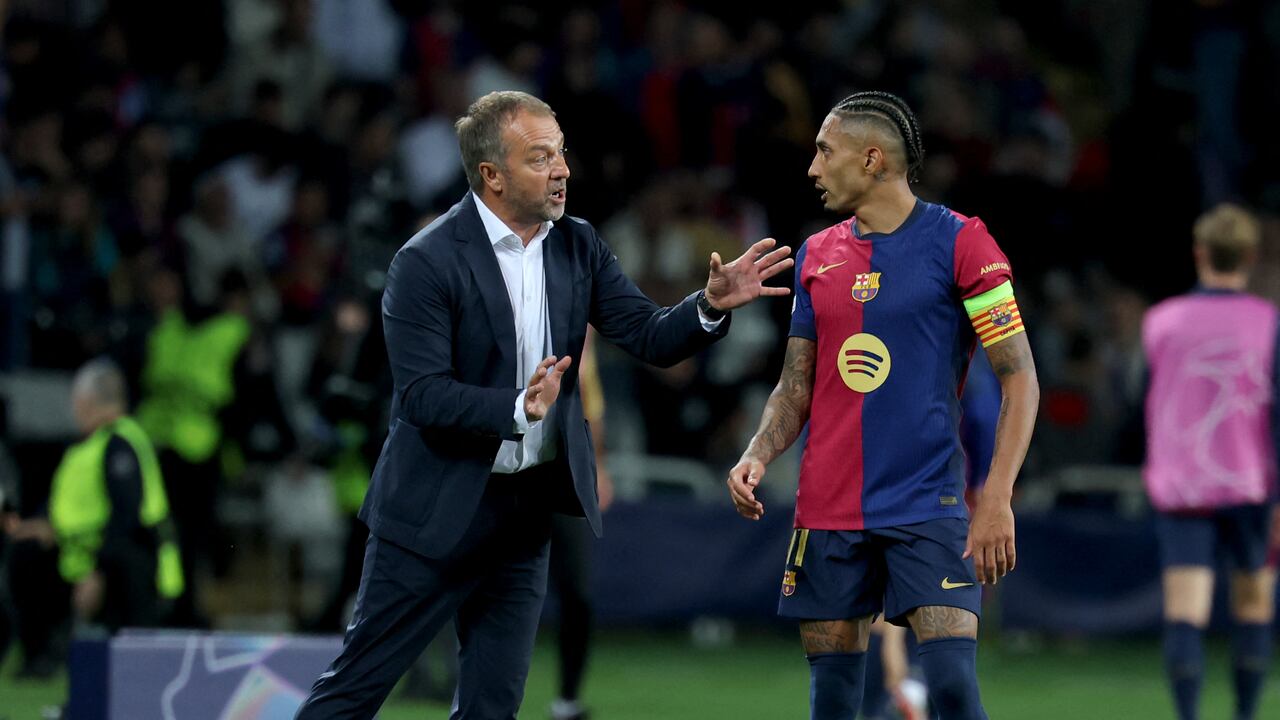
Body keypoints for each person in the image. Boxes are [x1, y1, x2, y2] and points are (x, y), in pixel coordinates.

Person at [295, 90, 793, 719]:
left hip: (523, 517)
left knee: (493, 707)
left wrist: (708, 306)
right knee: (352, 694)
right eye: (540, 158)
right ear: (492, 175)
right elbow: (420, 395)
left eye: (560, 153)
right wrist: (517, 408)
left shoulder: (577, 245)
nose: (562, 170)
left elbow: (647, 334)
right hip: (433, 512)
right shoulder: (425, 261)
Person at [726, 91, 1040, 719]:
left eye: (825, 151)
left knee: (951, 685)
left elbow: (1020, 378)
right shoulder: (816, 254)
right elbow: (795, 384)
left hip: (928, 504)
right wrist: (758, 452)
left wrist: (996, 496)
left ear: (872, 160)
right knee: (834, 700)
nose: (812, 168)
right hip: (828, 507)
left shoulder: (964, 243)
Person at [1142, 203, 1279, 720]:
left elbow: (1147, 399)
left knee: (1185, 613)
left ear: (1199, 252)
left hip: (1183, 488)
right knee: (1253, 607)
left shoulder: (1162, 321)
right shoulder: (1269, 324)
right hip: (1252, 486)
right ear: (1250, 256)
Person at [4, 359, 183, 633]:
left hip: (127, 573)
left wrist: (97, 574)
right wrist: (44, 524)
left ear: (87, 402)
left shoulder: (120, 443)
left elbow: (126, 517)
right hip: (86, 561)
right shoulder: (91, 445)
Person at [549, 327, 611, 720]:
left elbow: (592, 405)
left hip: (565, 474)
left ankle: (567, 699)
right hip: (511, 467)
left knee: (578, 592)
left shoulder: (582, 332)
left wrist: (599, 467)